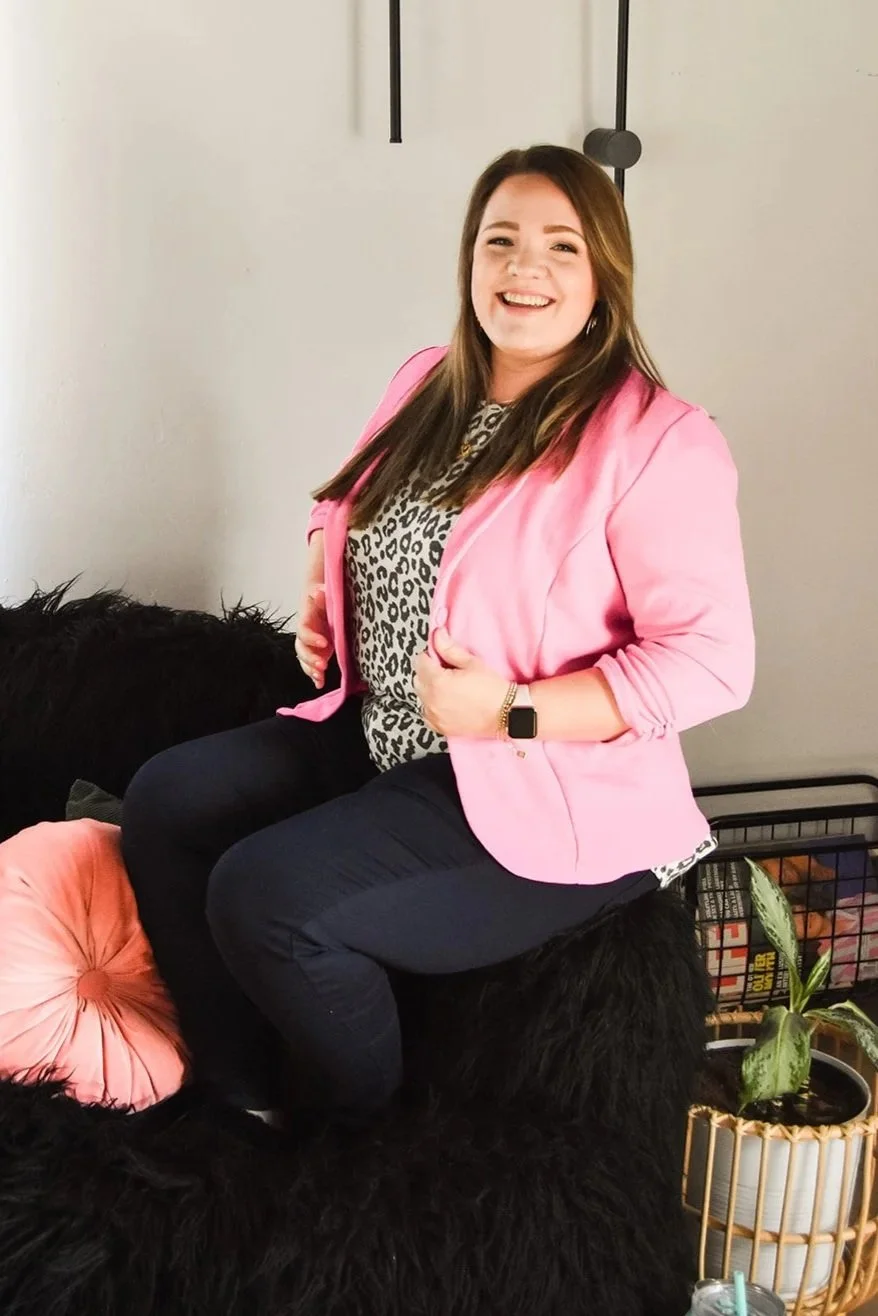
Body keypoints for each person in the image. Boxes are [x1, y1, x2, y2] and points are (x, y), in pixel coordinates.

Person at [121, 144, 755, 1128]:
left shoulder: (656, 439)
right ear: (469, 260)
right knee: (167, 797)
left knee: (265, 893)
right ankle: (237, 1092)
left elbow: (710, 659)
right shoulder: (429, 381)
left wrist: (513, 706)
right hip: (386, 731)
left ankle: (344, 1133)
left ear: (602, 280)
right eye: (498, 241)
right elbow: (347, 505)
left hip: (536, 780)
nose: (522, 267)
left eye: (558, 246)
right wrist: (324, 584)